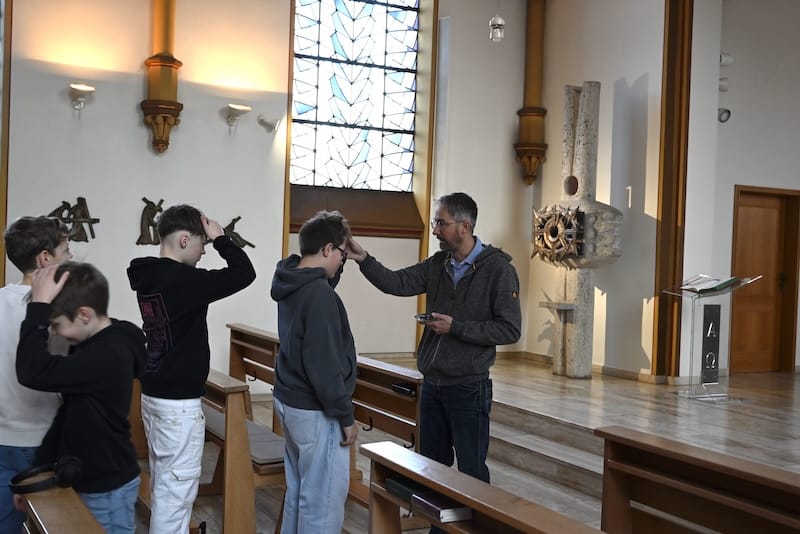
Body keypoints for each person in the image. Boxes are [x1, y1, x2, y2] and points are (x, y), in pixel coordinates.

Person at [346, 193, 521, 487]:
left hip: (468, 386)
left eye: (441, 223)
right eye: (434, 223)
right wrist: (364, 259)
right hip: (432, 384)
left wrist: (456, 328)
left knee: (472, 471)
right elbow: (396, 283)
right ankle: (436, 516)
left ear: (465, 226)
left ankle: (474, 516)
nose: (436, 230)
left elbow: (509, 330)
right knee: (430, 467)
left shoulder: (499, 270)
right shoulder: (439, 264)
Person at [127, 204, 256, 533]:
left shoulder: (148, 275)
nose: (204, 251)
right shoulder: (186, 281)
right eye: (203, 243)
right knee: (175, 498)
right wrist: (222, 238)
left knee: (165, 486)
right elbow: (244, 273)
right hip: (178, 406)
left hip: (154, 393)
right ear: (185, 240)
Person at [15, 261, 146, 533]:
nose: (54, 332)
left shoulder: (107, 355)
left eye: (56, 325)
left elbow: (32, 371)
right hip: (89, 478)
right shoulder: (92, 345)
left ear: (84, 314)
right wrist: (36, 473)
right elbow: (68, 414)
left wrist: (38, 307)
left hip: (107, 490)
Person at [270, 210, 358, 534]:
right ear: (327, 248)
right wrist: (345, 416)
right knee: (321, 505)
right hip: (316, 408)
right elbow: (325, 364)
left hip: (291, 401)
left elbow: (324, 277)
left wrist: (343, 256)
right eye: (340, 254)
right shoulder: (320, 295)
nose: (342, 260)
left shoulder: (291, 279)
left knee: (299, 494)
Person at [0, 216, 72, 533]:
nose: (71, 259)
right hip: (43, 438)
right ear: (45, 258)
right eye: (66, 251)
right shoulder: (59, 312)